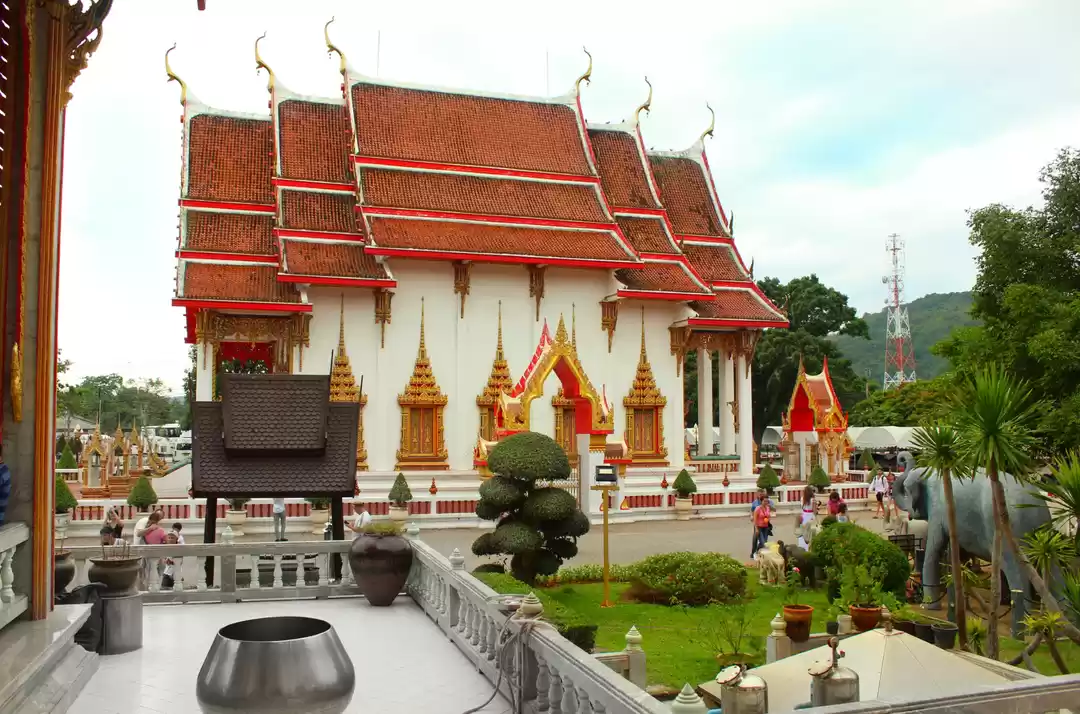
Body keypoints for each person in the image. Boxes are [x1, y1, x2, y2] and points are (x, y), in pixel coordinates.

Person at [749, 490, 766, 557]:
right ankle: (753, 552)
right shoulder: (755, 503)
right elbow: (752, 510)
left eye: (762, 494)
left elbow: (772, 510)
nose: (761, 495)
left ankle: (758, 551)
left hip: (765, 524)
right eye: (760, 494)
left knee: (764, 541)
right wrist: (751, 516)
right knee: (755, 538)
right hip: (757, 523)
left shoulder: (767, 502)